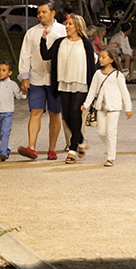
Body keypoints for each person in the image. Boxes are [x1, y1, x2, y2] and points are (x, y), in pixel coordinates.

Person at [40, 14, 97, 164]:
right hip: (63, 83)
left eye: (70, 24)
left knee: (75, 113)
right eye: (67, 24)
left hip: (80, 83)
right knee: (66, 116)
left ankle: (72, 149)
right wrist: (43, 39)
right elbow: (46, 55)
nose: (67, 26)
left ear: (78, 26)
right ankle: (81, 140)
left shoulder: (86, 43)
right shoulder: (60, 42)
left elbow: (92, 66)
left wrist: (93, 88)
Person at [18, 0, 67, 161]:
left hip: (56, 80)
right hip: (36, 79)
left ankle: (52, 149)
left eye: (43, 12)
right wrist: (24, 76)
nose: (40, 15)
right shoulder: (31, 33)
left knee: (55, 113)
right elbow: (25, 55)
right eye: (39, 12)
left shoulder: (63, 31)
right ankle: (31, 147)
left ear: (53, 13)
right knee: (35, 111)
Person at [82, 47, 133, 167]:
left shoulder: (117, 75)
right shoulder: (97, 74)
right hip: (100, 107)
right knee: (101, 131)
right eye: (100, 57)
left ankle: (111, 157)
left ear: (111, 59)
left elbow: (124, 92)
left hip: (114, 107)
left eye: (103, 57)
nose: (100, 59)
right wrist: (86, 104)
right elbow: (92, 91)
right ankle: (111, 146)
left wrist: (128, 108)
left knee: (111, 131)